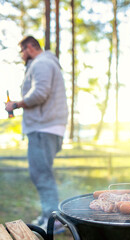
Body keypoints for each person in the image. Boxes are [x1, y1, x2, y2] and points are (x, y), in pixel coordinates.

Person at [5, 36, 68, 231]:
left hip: (43, 127)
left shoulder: (42, 63)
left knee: (41, 173)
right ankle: (49, 215)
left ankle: (54, 220)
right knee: (42, 173)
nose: (22, 56)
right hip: (46, 127)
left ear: (30, 47)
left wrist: (15, 104)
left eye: (21, 52)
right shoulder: (46, 63)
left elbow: (40, 93)